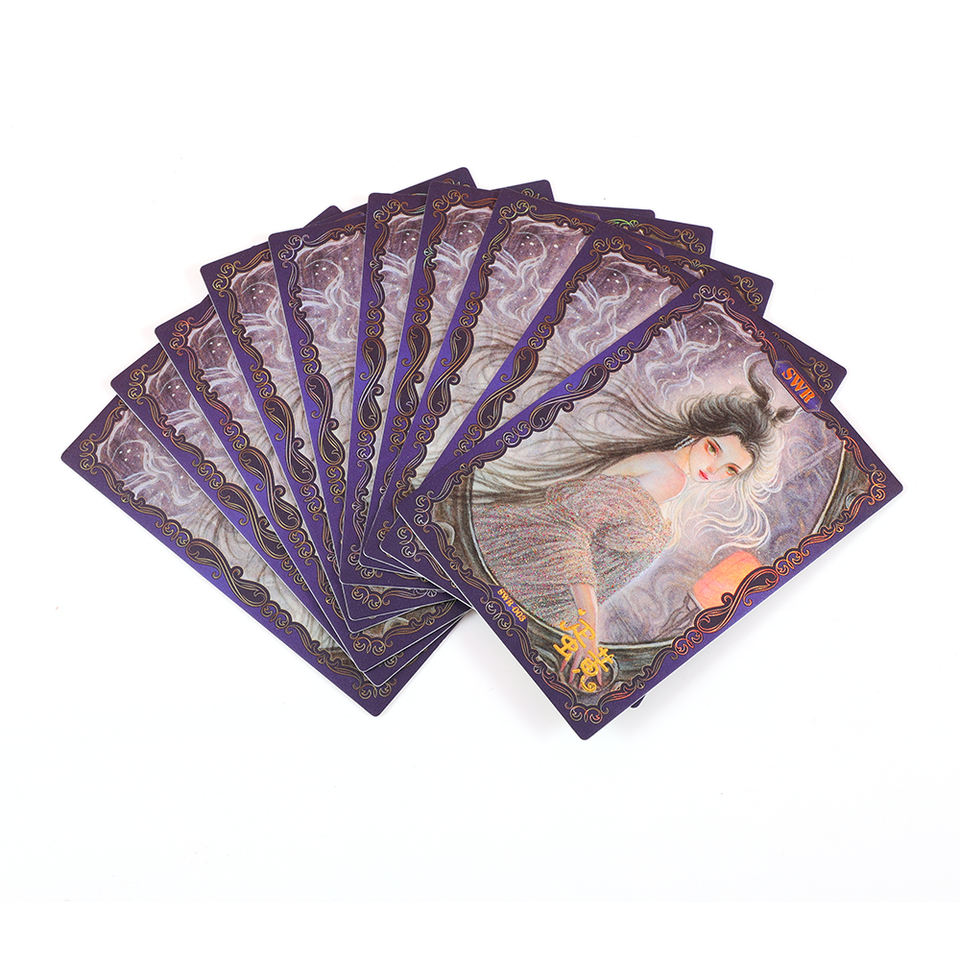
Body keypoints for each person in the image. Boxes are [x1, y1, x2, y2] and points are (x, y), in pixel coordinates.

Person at [469, 360, 796, 690]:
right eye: (713, 449)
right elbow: (570, 526)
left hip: (544, 589)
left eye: (730, 469)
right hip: (527, 568)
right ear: (700, 433)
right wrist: (587, 625)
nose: (713, 470)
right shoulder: (669, 477)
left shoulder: (674, 483)